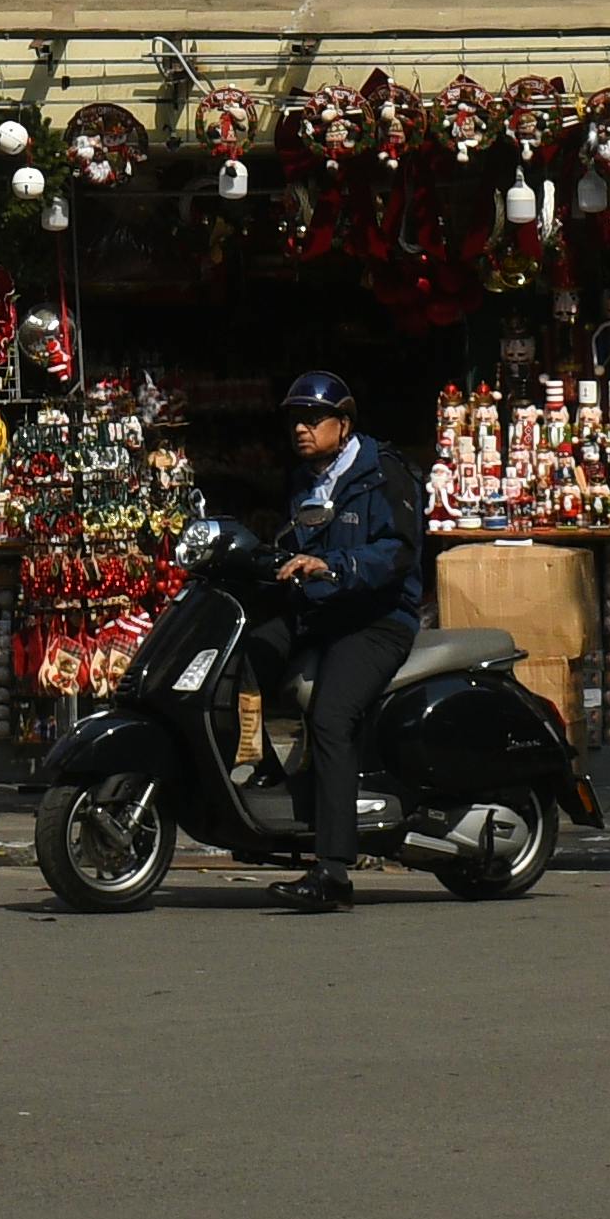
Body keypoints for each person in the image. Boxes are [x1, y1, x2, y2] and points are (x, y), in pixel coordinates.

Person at [258, 369, 421, 910]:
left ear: (344, 424)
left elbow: (399, 553)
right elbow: (289, 543)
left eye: (313, 419)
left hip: (377, 620)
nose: (301, 429)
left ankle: (332, 871)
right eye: (294, 420)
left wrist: (337, 565)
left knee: (331, 715)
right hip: (322, 612)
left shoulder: (385, 474)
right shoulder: (306, 481)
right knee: (247, 656)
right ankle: (262, 782)